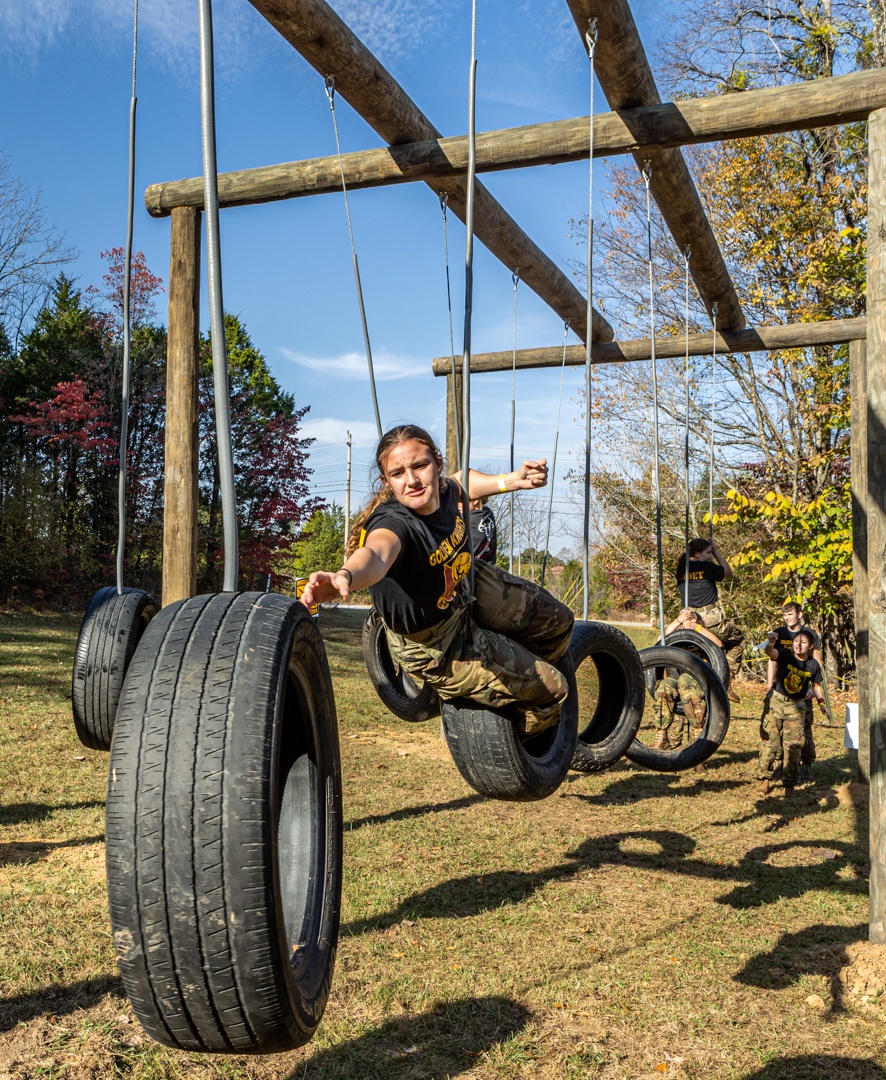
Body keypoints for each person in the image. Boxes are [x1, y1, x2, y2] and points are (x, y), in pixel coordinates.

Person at [300, 424, 574, 736]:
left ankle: (516, 667)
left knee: (562, 622)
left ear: (437, 464)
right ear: (386, 481)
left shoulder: (444, 491)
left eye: (420, 465)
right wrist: (345, 575)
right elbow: (376, 554)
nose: (412, 480)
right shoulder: (394, 524)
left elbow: (462, 481)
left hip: (464, 588)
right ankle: (532, 741)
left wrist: (513, 480)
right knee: (555, 688)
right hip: (435, 643)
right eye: (398, 473)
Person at [757, 628, 831, 796]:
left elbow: (816, 686)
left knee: (793, 746)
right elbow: (771, 652)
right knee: (770, 742)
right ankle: (764, 780)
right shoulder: (785, 654)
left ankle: (789, 784)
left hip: (796, 707)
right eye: (796, 641)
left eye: (803, 642)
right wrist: (771, 642)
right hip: (776, 702)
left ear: (810, 646)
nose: (798, 645)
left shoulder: (813, 665)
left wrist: (821, 704)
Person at [675, 537, 745, 702]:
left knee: (703, 648)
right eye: (707, 553)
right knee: (737, 639)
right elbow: (728, 572)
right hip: (709, 617)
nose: (710, 556)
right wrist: (717, 551)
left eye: (711, 552)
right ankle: (726, 680)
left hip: (687, 617)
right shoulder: (706, 566)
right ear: (697, 554)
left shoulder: (680, 568)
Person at [764, 601, 823, 782]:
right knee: (775, 728)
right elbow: (772, 659)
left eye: (790, 614)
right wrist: (769, 684)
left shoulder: (811, 635)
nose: (787, 618)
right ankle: (781, 764)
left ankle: (807, 763)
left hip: (803, 690)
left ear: (799, 614)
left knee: (804, 727)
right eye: (785, 615)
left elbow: (817, 663)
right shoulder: (779, 633)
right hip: (781, 688)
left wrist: (814, 689)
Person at [651, 610, 722, 751]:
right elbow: (661, 639)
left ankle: (697, 739)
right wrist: (678, 621)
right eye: (683, 624)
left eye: (690, 622)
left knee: (686, 680)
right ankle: (661, 734)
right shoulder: (676, 638)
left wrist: (696, 628)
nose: (685, 626)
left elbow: (718, 645)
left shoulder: (703, 637)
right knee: (665, 686)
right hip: (675, 680)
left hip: (695, 682)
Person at [467, 495, 497, 564]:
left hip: (471, 569)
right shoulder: (488, 513)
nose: (456, 504)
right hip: (487, 568)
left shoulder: (468, 518)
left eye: (460, 500)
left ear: (475, 500)